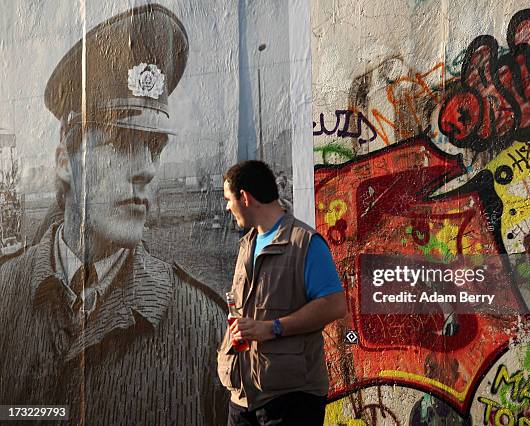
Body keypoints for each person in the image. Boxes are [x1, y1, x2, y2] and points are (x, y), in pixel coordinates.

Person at [0, 5, 228, 425]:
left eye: (154, 146)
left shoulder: (204, 327)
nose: (146, 168)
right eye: (122, 141)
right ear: (65, 162)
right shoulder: (4, 296)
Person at [218, 160, 347, 426]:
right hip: (242, 398)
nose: (227, 206)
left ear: (245, 197)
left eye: (229, 199)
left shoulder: (305, 243)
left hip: (290, 400)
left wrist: (272, 328)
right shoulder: (247, 245)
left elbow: (334, 305)